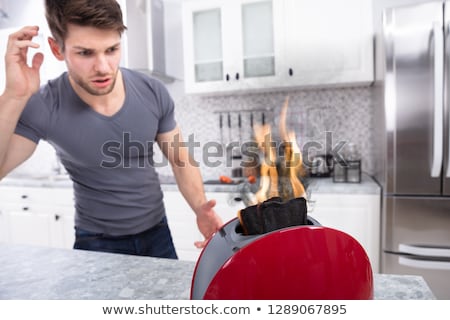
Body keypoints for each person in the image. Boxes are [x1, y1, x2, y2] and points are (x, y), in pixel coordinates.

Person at [0, 0, 223, 259]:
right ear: (56, 49)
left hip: (157, 234)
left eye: (112, 49)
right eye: (85, 53)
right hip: (95, 243)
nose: (103, 67)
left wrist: (199, 209)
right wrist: (13, 96)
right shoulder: (44, 105)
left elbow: (180, 159)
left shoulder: (152, 92)